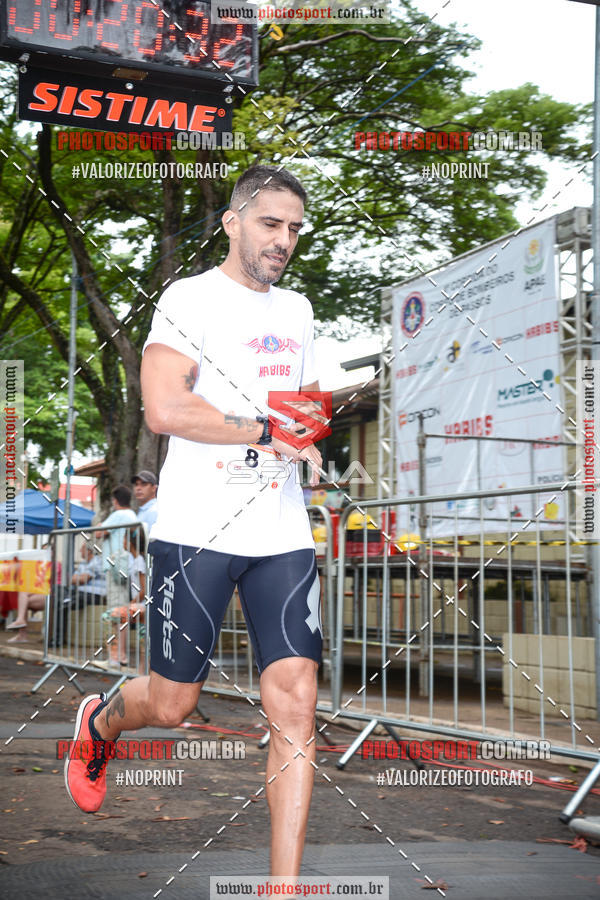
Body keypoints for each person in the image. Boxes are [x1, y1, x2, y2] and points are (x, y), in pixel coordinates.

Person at [65, 165, 325, 879]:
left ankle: (284, 891)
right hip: (197, 527)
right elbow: (165, 410)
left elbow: (297, 412)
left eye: (295, 229)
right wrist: (264, 427)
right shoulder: (188, 298)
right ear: (232, 222)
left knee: (297, 705)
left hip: (281, 530)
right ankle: (103, 719)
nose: (283, 240)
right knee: (175, 703)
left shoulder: (299, 311)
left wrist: (309, 438)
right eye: (270, 224)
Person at [101, 527, 147, 666]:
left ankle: (119, 657)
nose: (123, 543)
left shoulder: (139, 560)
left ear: (131, 542)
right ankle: (119, 658)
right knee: (121, 620)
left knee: (109, 616)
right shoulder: (136, 560)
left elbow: (143, 590)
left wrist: (130, 603)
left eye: (124, 539)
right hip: (139, 605)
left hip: (142, 605)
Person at [95, 485, 138, 612]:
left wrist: (99, 525)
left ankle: (117, 632)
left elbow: (98, 532)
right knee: (122, 604)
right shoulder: (132, 514)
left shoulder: (119, 514)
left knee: (116, 608)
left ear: (115, 500)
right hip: (125, 564)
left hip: (115, 565)